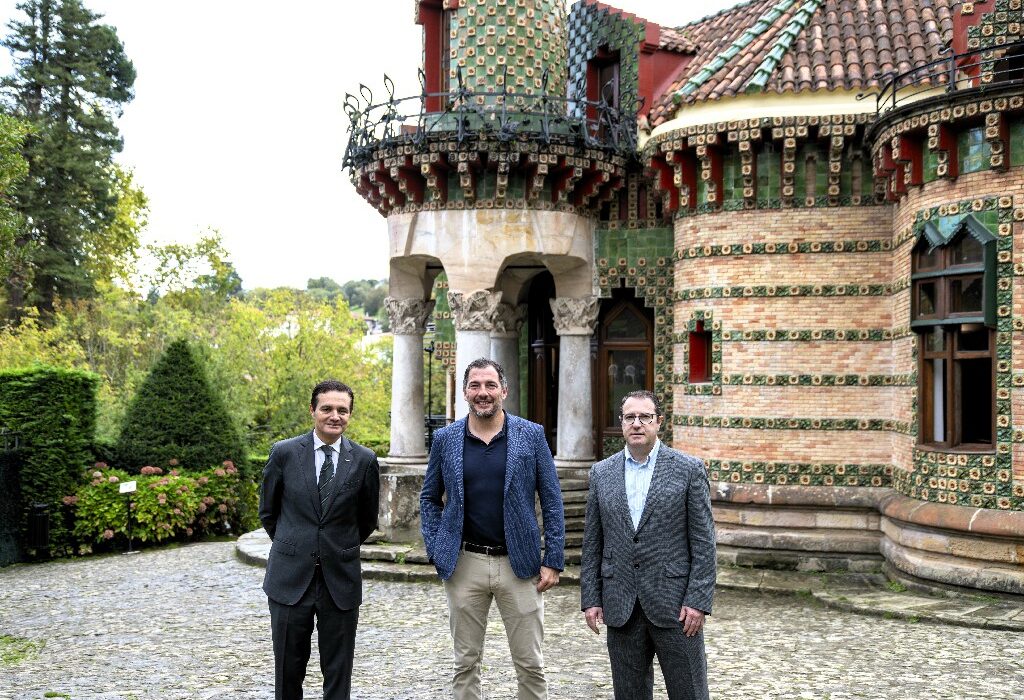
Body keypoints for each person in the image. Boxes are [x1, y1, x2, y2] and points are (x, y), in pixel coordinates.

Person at [420, 357, 565, 700]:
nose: (482, 393)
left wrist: (553, 558)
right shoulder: (445, 439)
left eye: (489, 385)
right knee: (465, 662)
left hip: (521, 565)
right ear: (465, 392)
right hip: (464, 562)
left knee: (530, 663)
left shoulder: (530, 435)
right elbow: (429, 498)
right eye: (475, 386)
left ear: (504, 390)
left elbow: (552, 497)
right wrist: (437, 547)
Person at [580, 390, 716, 700]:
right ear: (622, 423)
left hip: (677, 605)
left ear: (659, 423)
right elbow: (593, 543)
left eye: (645, 417)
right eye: (630, 417)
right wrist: (591, 597)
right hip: (621, 604)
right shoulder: (602, 473)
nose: (637, 424)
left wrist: (697, 599)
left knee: (689, 693)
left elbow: (704, 542)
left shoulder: (688, 469)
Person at [259, 379, 380, 700]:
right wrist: (297, 544)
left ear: (350, 415)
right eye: (327, 408)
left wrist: (335, 547)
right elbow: (268, 513)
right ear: (313, 410)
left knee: (338, 674)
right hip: (289, 580)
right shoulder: (284, 453)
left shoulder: (365, 460)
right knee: (287, 672)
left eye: (343, 410)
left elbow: (367, 520)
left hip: (339, 581)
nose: (335, 416)